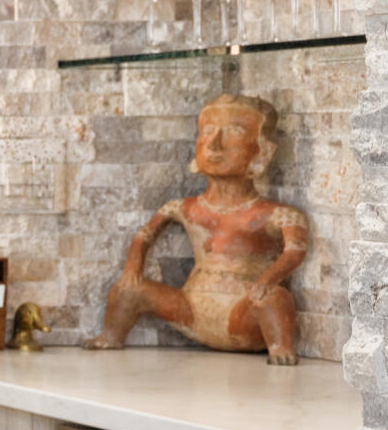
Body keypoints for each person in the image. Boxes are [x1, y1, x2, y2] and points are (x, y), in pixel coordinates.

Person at [87, 93, 309, 364]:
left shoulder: (277, 214)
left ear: (263, 152)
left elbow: (295, 252)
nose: (215, 144)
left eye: (234, 131)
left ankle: (280, 348)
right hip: (190, 310)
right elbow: (144, 235)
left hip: (244, 317)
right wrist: (133, 268)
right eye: (208, 131)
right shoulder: (182, 207)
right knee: (128, 289)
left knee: (274, 297)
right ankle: (110, 337)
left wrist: (266, 281)